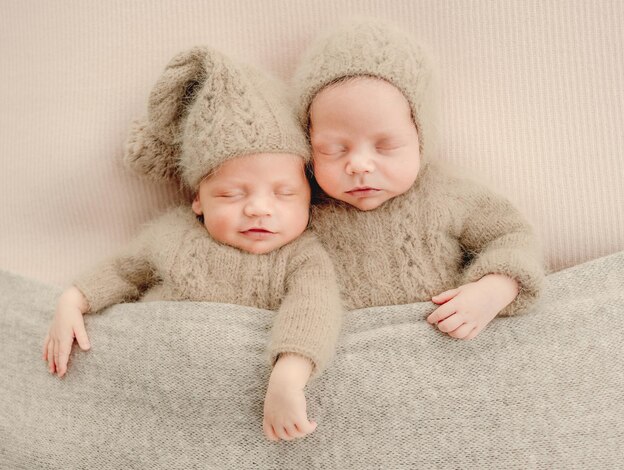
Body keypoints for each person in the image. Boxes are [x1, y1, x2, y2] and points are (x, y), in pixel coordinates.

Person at [42, 46, 343, 443]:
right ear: (197, 200)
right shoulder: (172, 236)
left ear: (309, 197)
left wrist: (288, 376)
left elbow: (314, 309)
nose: (257, 209)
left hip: (237, 410)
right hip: (151, 391)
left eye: (284, 193)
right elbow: (121, 271)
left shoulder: (302, 258)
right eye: (232, 194)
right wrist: (71, 302)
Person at [293, 20, 544, 340]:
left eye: (386, 146)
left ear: (421, 137)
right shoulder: (301, 202)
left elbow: (512, 236)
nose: (358, 165)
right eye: (333, 150)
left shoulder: (448, 193)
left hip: (443, 340)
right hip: (346, 350)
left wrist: (491, 291)